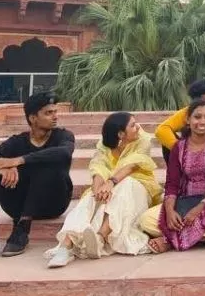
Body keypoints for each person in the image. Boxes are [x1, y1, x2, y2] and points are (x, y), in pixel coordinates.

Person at [0, 93, 75, 263]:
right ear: (33, 118)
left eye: (55, 112)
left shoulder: (63, 136)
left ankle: (22, 230)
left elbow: (64, 152)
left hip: (53, 203)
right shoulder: (17, 141)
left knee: (46, 165)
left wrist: (19, 160)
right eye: (48, 113)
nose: (55, 117)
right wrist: (1, 168)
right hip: (16, 207)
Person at [45, 113, 162, 268]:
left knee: (125, 185)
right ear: (120, 134)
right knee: (90, 197)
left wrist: (111, 183)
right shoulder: (104, 145)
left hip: (138, 188)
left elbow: (131, 166)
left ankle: (101, 236)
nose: (138, 127)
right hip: (112, 187)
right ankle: (66, 245)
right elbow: (98, 167)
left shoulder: (143, 140)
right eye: (133, 125)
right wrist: (97, 190)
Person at [139, 101, 205, 253]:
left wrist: (200, 207)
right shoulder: (178, 147)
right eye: (197, 117)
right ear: (188, 120)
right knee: (145, 220)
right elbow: (171, 184)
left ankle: (170, 241)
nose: (202, 122)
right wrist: (170, 212)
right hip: (183, 203)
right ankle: (203, 236)